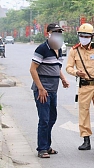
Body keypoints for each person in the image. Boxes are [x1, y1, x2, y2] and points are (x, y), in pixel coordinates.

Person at [30, 23, 69, 158]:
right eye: (55, 32)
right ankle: (42, 149)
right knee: (44, 120)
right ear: (49, 34)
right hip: (43, 91)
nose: (58, 34)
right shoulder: (42, 49)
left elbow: (57, 67)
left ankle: (47, 145)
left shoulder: (60, 49)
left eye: (60, 32)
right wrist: (40, 88)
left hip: (53, 90)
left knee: (52, 118)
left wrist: (63, 79)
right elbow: (32, 69)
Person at [66, 23, 94, 151]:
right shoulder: (74, 50)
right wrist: (75, 72)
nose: (84, 37)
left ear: (91, 36)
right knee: (83, 113)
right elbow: (68, 67)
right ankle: (86, 139)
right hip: (84, 86)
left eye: (86, 36)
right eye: (81, 35)